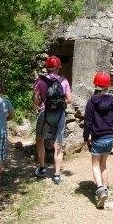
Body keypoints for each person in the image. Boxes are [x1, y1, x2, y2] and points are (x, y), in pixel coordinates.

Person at [32, 55, 72, 184]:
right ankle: (57, 175)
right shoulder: (64, 81)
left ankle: (42, 168)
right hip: (60, 115)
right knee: (58, 145)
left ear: (47, 68)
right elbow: (70, 100)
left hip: (45, 114)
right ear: (58, 68)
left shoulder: (39, 81)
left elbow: (36, 100)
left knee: (40, 140)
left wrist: (41, 104)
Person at [83, 71, 113, 209]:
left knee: (96, 165)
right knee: (104, 164)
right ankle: (106, 188)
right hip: (110, 137)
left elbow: (88, 122)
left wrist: (86, 138)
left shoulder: (91, 101)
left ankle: (100, 190)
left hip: (98, 138)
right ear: (108, 85)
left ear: (95, 84)